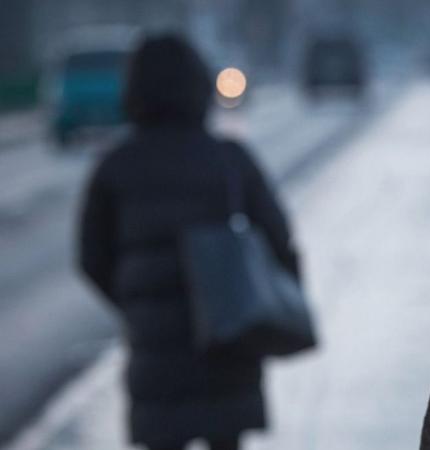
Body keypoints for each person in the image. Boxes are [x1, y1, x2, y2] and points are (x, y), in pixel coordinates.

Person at [78, 34, 300, 450]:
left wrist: (137, 301)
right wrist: (278, 293)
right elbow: (278, 235)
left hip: (156, 355)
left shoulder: (115, 167)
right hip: (227, 340)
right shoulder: (229, 158)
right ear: (198, 86)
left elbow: (91, 257)